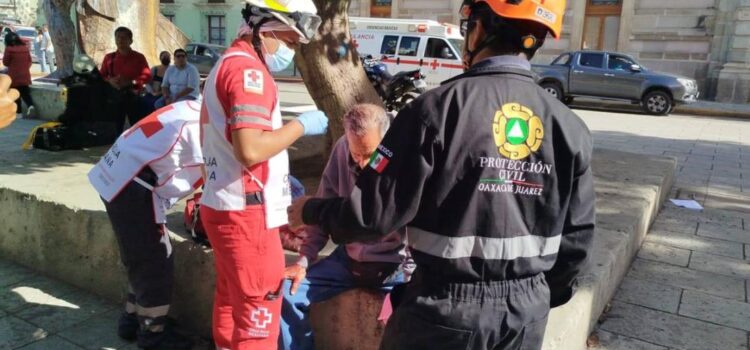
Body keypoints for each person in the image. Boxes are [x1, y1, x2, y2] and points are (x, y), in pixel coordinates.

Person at [287, 0, 595, 349]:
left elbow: (370, 218)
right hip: (525, 316)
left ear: (478, 28)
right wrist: (531, 297)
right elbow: (577, 242)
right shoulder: (571, 128)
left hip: (443, 309)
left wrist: (311, 210)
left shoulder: (432, 111)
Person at [199, 0, 326, 348]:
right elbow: (251, 149)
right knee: (259, 316)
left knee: (231, 302)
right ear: (265, 26)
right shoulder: (248, 73)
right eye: (289, 38)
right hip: (247, 214)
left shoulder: (228, 64)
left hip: (224, 204)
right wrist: (300, 125)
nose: (295, 46)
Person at [279, 104, 413, 350]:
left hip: (394, 266)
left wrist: (408, 286)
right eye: (356, 155)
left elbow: (415, 233)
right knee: (285, 291)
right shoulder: (342, 149)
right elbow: (322, 209)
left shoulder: (404, 155)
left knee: (408, 322)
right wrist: (304, 261)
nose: (362, 164)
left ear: (385, 142)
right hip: (348, 260)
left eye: (370, 154)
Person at [88, 99, 204, 350]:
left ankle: (132, 319)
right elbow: (216, 174)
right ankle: (153, 335)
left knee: (139, 256)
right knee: (155, 262)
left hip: (117, 175)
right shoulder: (202, 125)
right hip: (134, 186)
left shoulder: (190, 107)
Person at [99, 26, 151, 133]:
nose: (120, 40)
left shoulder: (139, 57)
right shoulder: (109, 58)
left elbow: (147, 75)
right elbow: (101, 76)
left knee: (137, 127)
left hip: (133, 96)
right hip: (115, 96)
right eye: (117, 37)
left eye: (123, 37)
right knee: (116, 127)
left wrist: (132, 82)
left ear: (130, 40)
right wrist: (110, 81)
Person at [3, 32, 35, 118]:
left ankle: (19, 113)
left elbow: (5, 62)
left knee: (15, 94)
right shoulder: (25, 48)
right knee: (25, 93)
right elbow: (29, 61)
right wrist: (24, 68)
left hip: (14, 75)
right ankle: (30, 105)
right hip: (25, 75)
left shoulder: (9, 49)